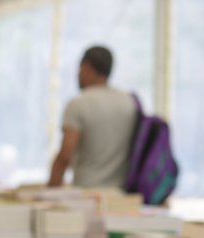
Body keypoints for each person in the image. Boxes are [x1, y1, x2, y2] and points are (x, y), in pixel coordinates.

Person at [48, 46, 137, 189]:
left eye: (80, 68)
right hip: (121, 196)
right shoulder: (129, 102)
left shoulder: (78, 104)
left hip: (86, 194)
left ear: (87, 67)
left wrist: (50, 192)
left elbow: (65, 156)